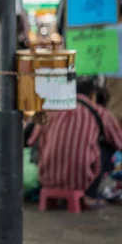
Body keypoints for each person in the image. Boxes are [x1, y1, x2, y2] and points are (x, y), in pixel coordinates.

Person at [28, 76, 122, 209]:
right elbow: (119, 142)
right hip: (81, 181)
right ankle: (90, 195)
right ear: (92, 95)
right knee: (108, 145)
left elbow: (30, 140)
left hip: (46, 178)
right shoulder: (100, 112)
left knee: (42, 144)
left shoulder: (50, 109)